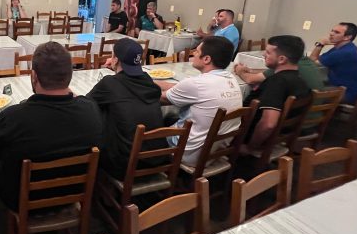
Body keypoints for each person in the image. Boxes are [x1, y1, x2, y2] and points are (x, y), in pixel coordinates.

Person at [0, 42, 102, 214]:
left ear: (34, 76)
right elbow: (77, 98)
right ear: (70, 75)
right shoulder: (91, 108)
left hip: (22, 200)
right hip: (74, 193)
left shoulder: (13, 117)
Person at [155, 36, 243, 166]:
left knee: (150, 127)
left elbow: (160, 98)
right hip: (214, 149)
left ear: (206, 59)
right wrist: (154, 82)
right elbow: (182, 89)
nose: (194, 54)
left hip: (189, 152)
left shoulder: (196, 84)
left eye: (197, 51)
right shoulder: (230, 78)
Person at [86, 38, 164, 179]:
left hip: (125, 166)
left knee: (99, 116)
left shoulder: (109, 83)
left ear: (116, 59)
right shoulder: (147, 79)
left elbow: (87, 104)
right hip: (156, 160)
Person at [242, 35, 311, 154]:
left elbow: (268, 124)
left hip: (248, 136)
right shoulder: (301, 80)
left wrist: (250, 147)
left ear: (282, 59)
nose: (264, 54)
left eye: (268, 53)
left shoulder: (277, 82)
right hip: (281, 135)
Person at [310, 22, 357, 104]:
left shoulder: (344, 52)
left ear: (347, 37)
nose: (331, 34)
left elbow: (311, 62)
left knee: (306, 94)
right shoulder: (348, 47)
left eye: (336, 32)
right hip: (348, 88)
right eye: (332, 30)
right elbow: (317, 59)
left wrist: (320, 44)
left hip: (347, 93)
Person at [234, 55, 325, 91]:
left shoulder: (286, 65)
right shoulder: (306, 61)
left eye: (269, 52)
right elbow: (270, 72)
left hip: (296, 119)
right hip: (312, 113)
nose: (264, 54)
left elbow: (250, 80)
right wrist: (250, 70)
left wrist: (239, 71)